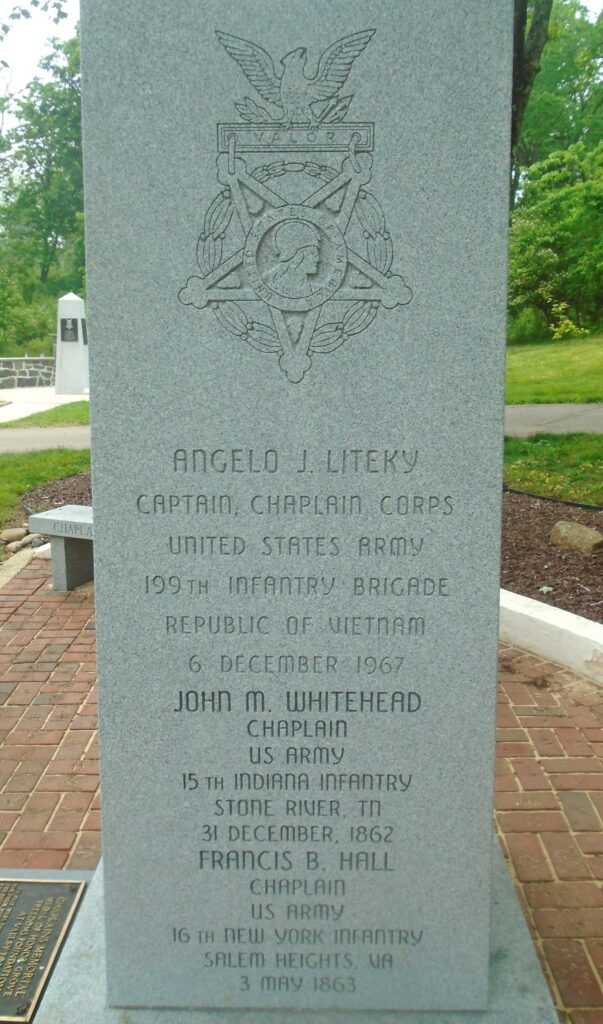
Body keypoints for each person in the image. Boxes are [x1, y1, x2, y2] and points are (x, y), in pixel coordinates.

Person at [263, 220, 321, 298]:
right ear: (296, 255)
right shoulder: (268, 284)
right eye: (312, 253)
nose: (317, 259)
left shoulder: (316, 289)